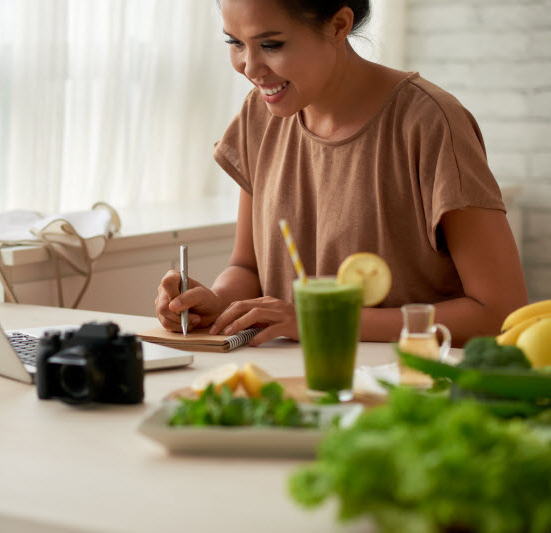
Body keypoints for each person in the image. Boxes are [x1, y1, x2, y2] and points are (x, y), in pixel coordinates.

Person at [155, 0, 527, 347]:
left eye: (270, 45)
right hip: (295, 383)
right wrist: (216, 302)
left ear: (338, 25)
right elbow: (246, 267)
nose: (249, 68)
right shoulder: (260, 115)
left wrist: (324, 320)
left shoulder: (429, 123)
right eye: (235, 42)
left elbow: (498, 313)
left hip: (408, 392)